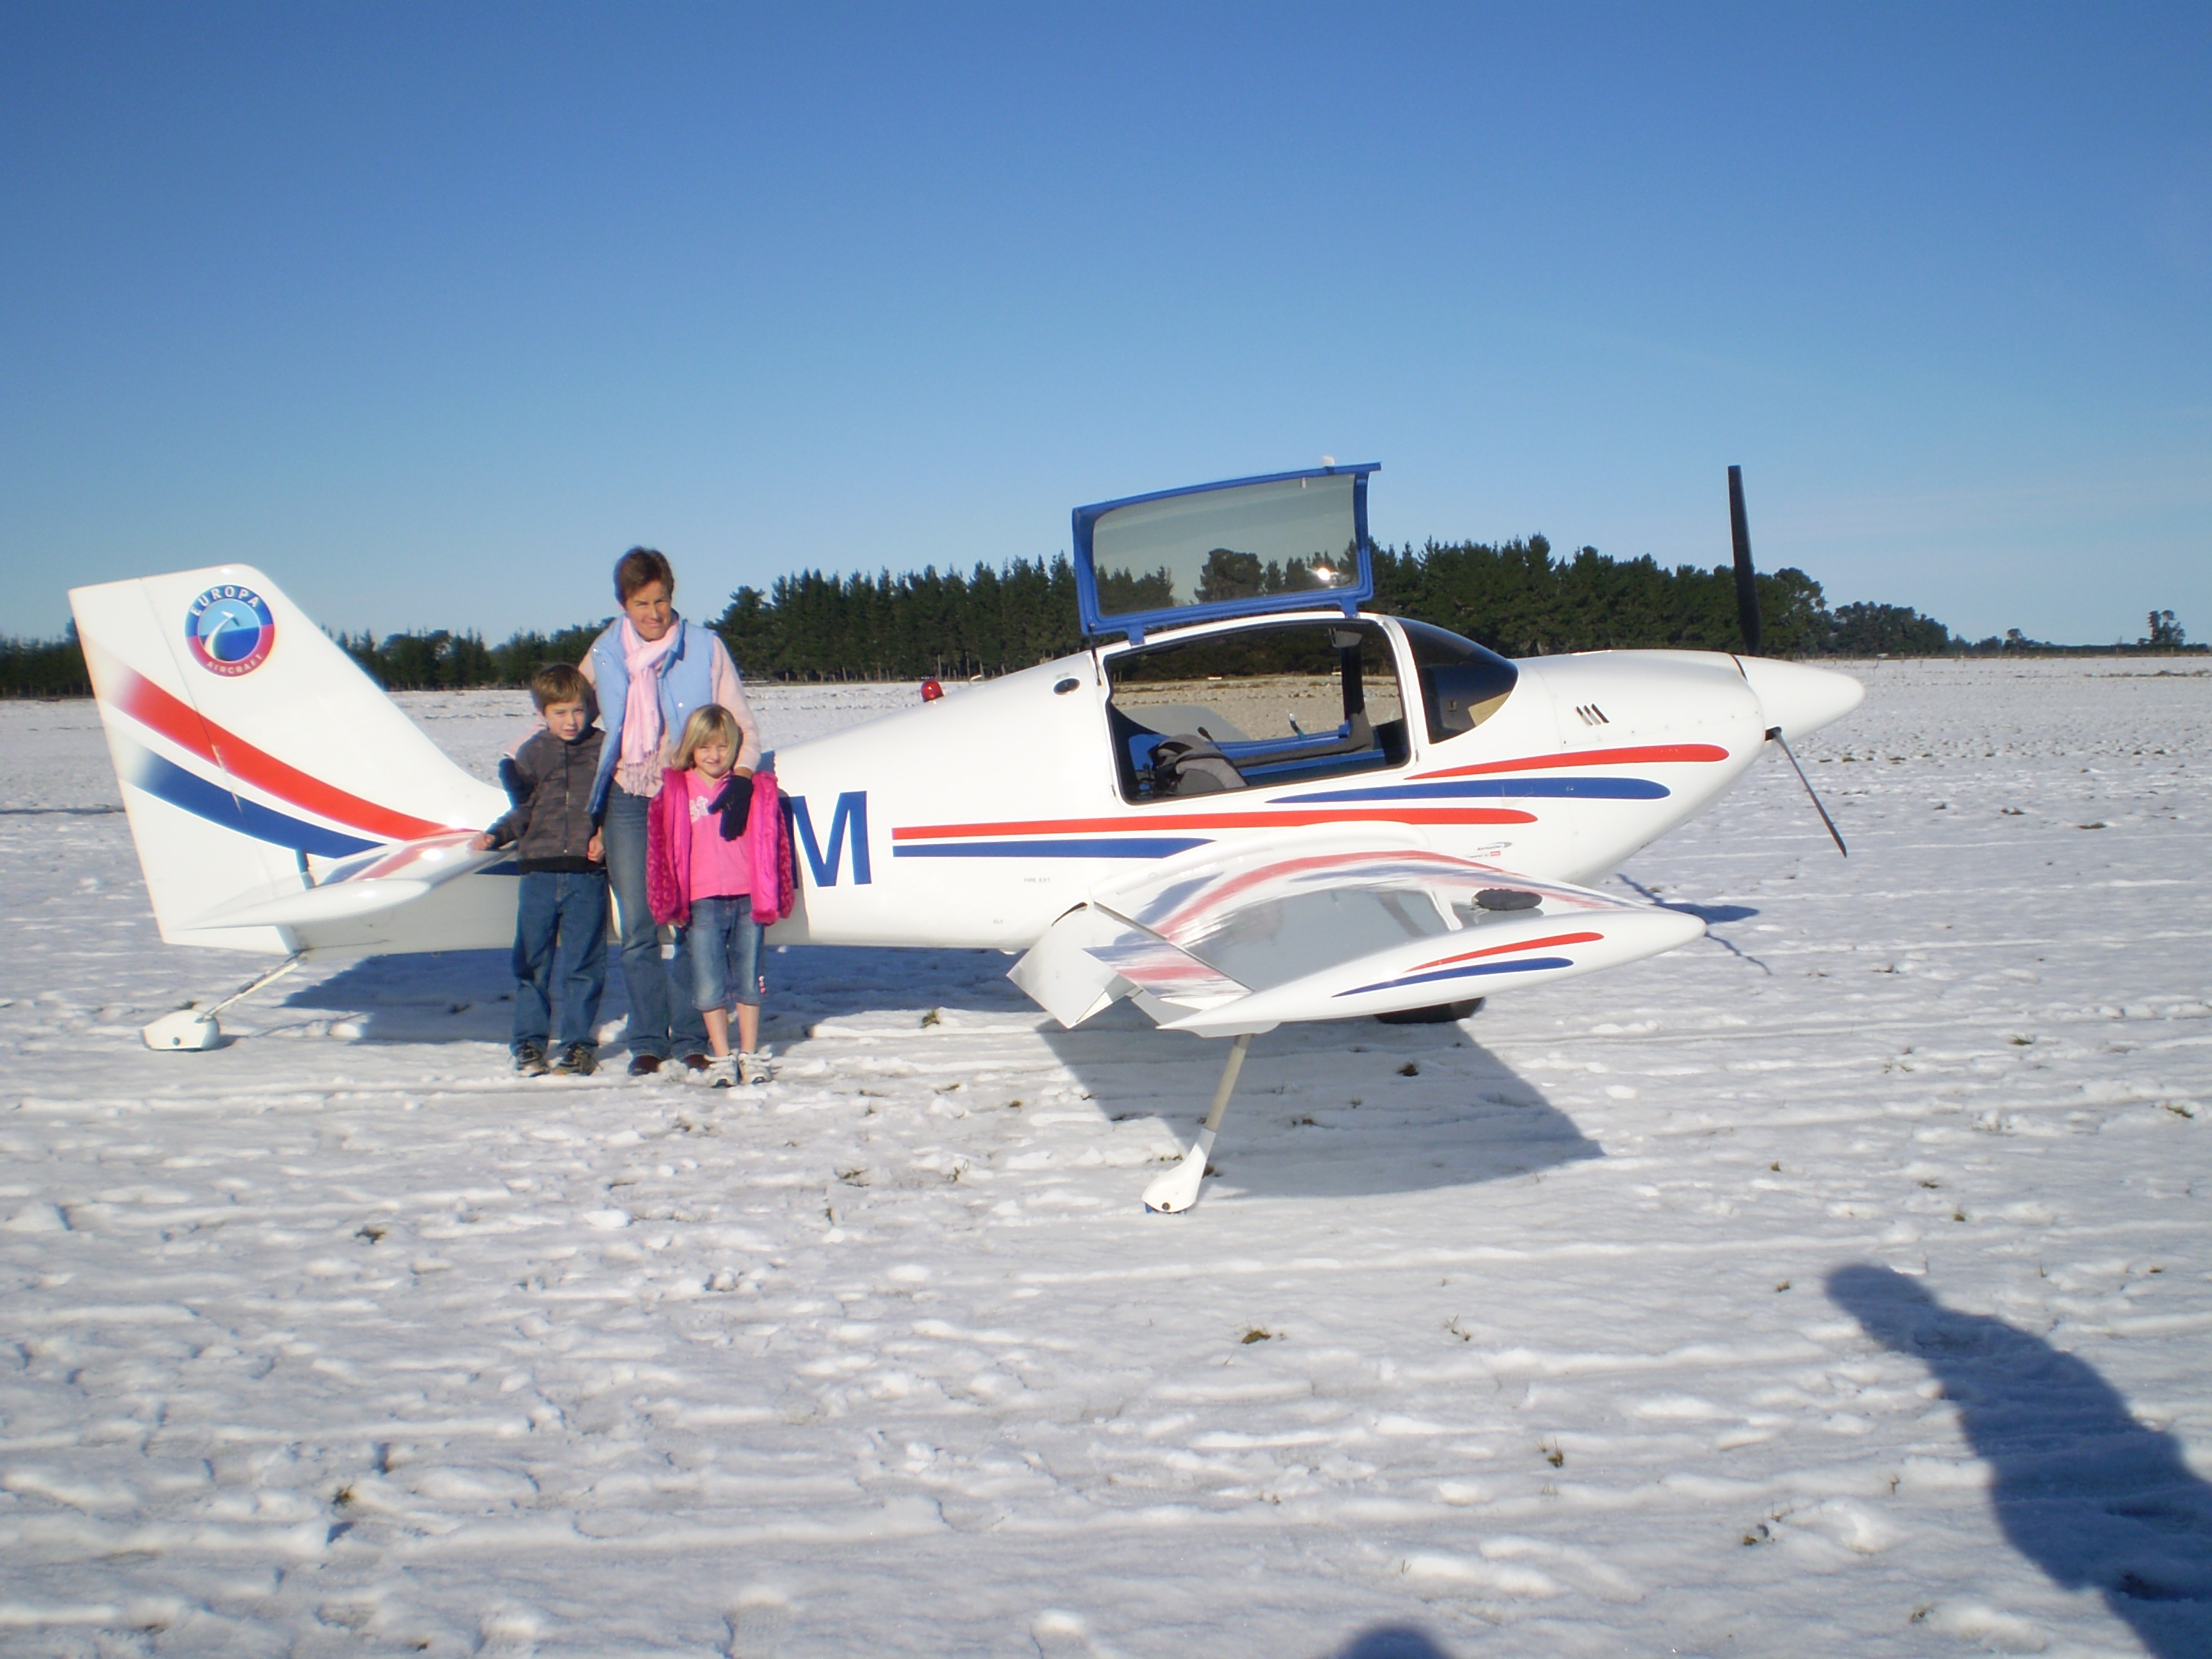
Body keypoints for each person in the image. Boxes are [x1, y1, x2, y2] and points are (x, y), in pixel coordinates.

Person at [580, 547, 761, 1077]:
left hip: (687, 797)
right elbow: (567, 704)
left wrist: (744, 777)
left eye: (661, 601)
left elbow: (741, 724)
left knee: (689, 918)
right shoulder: (607, 651)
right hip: (627, 796)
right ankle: (646, 1040)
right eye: (642, 604)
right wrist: (522, 762)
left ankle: (692, 1035)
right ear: (624, 604)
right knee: (638, 925)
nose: (654, 614)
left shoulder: (704, 647)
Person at [472, 663, 608, 1075]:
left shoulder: (605, 749)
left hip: (586, 875)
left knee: (583, 965)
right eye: (560, 712)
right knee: (533, 962)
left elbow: (616, 805)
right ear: (543, 713)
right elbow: (524, 808)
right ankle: (529, 1043)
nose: (571, 721)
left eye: (578, 711)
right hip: (538, 871)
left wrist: (606, 836)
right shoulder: (533, 752)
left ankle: (578, 1044)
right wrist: (497, 836)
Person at [647, 705, 786, 1087]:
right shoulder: (678, 791)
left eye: (723, 747)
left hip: (747, 898)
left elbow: (773, 843)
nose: (714, 755)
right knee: (708, 983)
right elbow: (662, 849)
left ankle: (750, 1052)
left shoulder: (749, 788)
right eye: (705, 747)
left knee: (749, 978)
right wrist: (669, 898)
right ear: (692, 748)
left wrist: (775, 892)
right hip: (702, 900)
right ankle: (722, 1055)